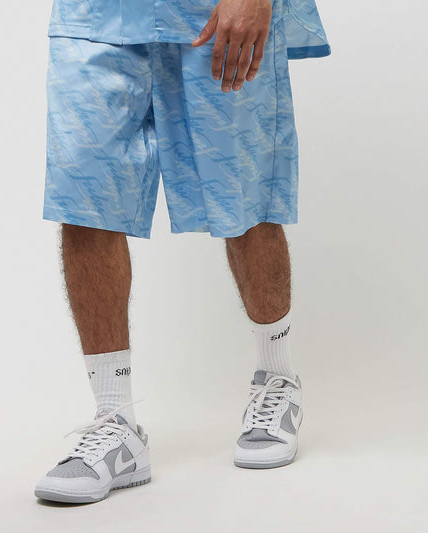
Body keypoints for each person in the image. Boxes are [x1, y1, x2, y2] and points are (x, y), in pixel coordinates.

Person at [34, 0, 330, 504]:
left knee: (246, 190)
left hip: (212, 12)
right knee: (85, 195)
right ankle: (115, 422)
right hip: (95, 15)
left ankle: (277, 377)